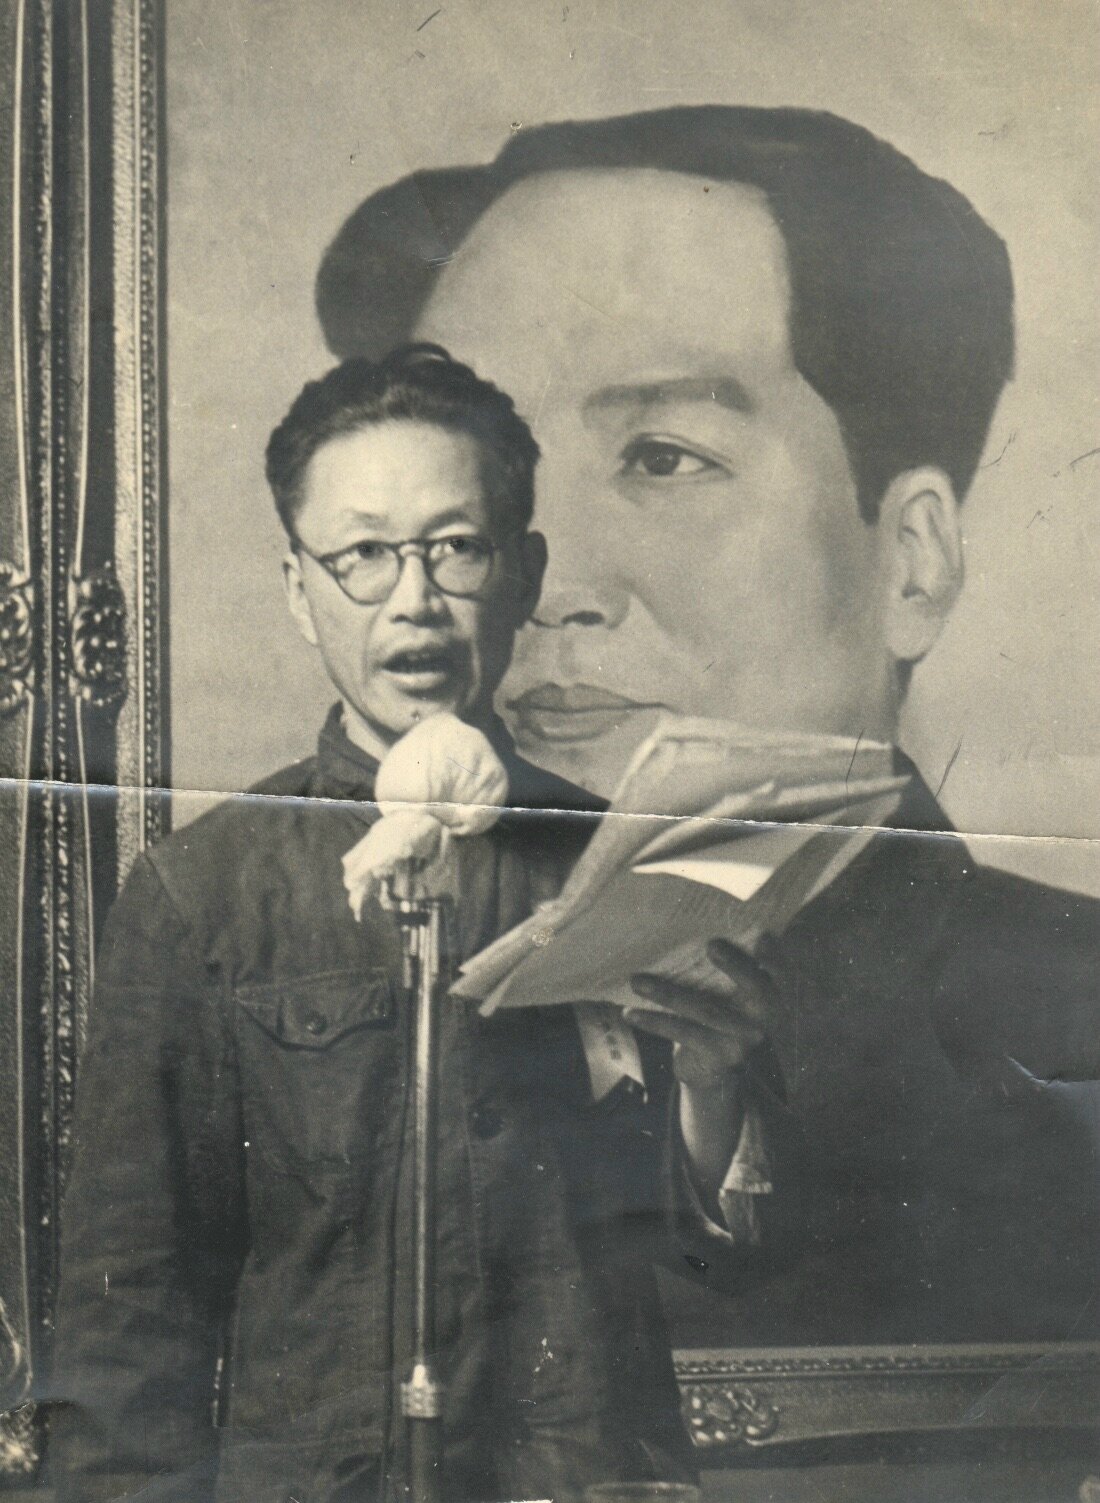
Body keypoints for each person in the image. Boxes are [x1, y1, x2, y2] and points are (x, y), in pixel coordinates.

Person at [315, 108, 1100, 1350]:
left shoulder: (1069, 1009)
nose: (545, 582)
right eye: (488, 487)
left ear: (909, 561)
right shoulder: (357, 968)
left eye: (662, 457)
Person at [51, 345, 772, 1503]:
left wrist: (712, 1086)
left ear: (524, 572)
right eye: (363, 556)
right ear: (298, 588)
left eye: (456, 548)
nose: (413, 600)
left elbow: (717, 1263)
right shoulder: (203, 891)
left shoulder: (633, 857)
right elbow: (126, 1312)